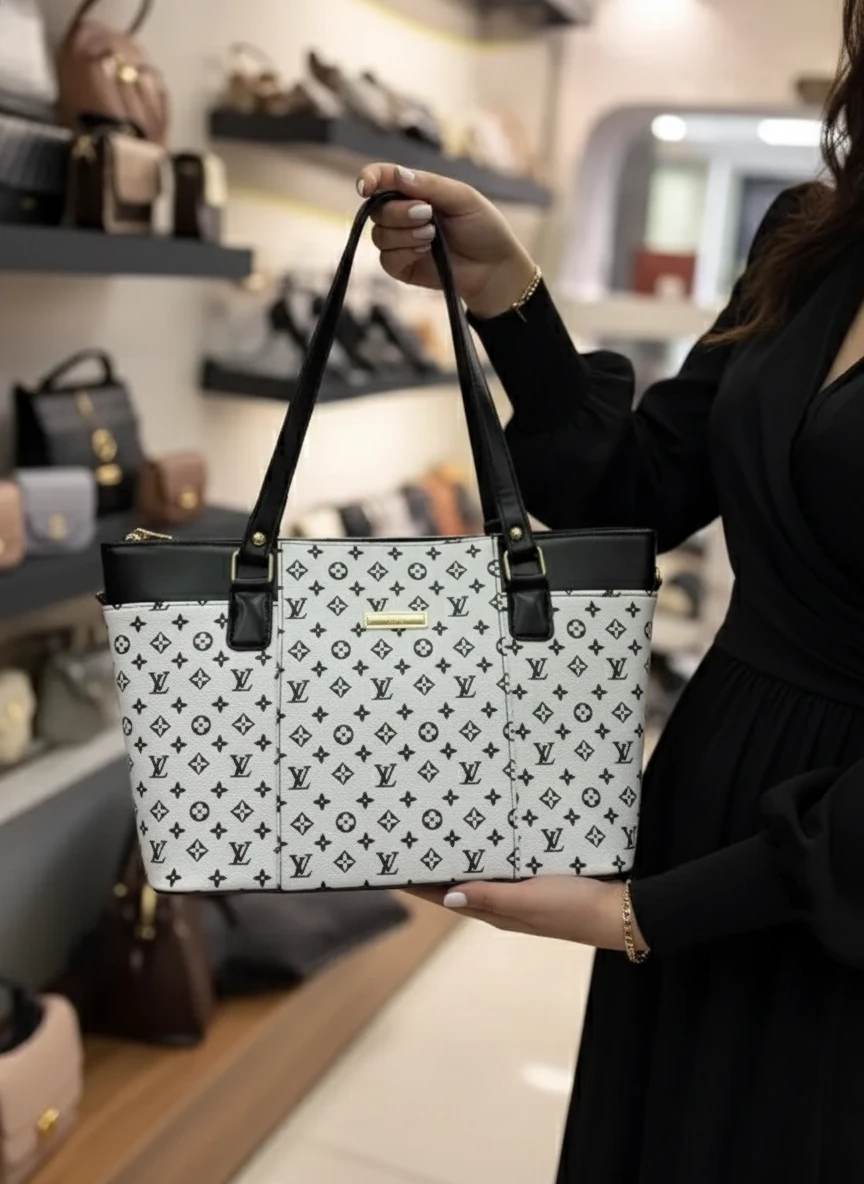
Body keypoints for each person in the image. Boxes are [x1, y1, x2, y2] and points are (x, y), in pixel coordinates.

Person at [355, 6, 864, 1180]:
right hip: (712, 803)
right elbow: (637, 489)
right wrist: (505, 293)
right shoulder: (816, 238)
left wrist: (639, 912)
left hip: (838, 870)